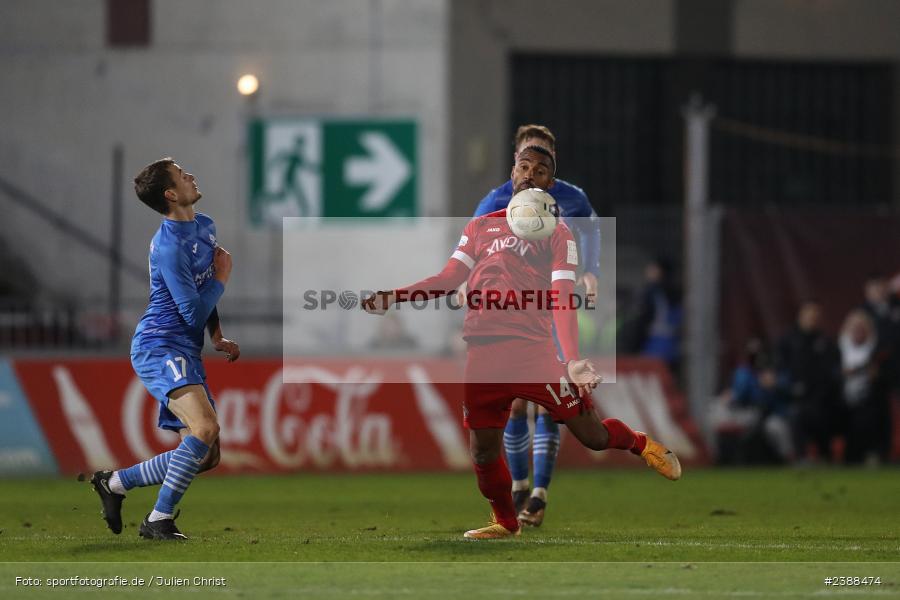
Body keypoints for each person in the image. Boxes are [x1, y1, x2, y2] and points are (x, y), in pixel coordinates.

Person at [364, 145, 680, 540]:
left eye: (541, 170)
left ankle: (639, 444)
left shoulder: (559, 234)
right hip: (483, 355)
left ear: (552, 183)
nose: (530, 174)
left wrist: (573, 360)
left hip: (536, 356)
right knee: (481, 452)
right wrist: (396, 295)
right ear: (512, 174)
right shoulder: (480, 228)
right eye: (523, 167)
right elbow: (448, 279)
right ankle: (506, 522)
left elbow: (564, 296)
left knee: (594, 437)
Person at [90, 157, 240, 541]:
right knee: (205, 428)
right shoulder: (169, 247)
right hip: (159, 345)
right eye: (182, 174)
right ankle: (159, 518)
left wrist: (217, 335)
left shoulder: (204, 226)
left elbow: (200, 293)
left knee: (206, 456)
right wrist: (223, 278)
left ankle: (117, 482)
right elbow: (190, 308)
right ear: (171, 194)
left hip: (185, 347)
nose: (191, 175)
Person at [473, 124, 602, 527]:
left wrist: (591, 271)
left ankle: (539, 495)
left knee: (552, 404)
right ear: (516, 161)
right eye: (527, 158)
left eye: (542, 157)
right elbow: (476, 241)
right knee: (516, 406)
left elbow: (592, 231)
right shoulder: (496, 200)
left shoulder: (572, 198)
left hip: (555, 302)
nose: (533, 170)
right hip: (516, 310)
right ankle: (519, 486)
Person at [776, 302, 841, 463]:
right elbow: (780, 370)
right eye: (809, 316)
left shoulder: (826, 342)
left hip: (823, 398)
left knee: (825, 416)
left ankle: (826, 456)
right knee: (797, 416)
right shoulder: (788, 341)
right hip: (795, 398)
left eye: (815, 317)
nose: (812, 320)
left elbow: (833, 371)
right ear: (801, 317)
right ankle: (801, 457)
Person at [839, 310, 892, 464]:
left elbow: (888, 376)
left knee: (870, 413)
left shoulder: (878, 349)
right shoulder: (838, 348)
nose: (858, 331)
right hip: (842, 400)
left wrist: (876, 376)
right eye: (854, 328)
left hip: (869, 400)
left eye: (862, 328)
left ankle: (874, 453)